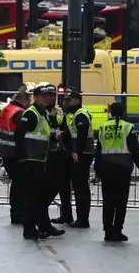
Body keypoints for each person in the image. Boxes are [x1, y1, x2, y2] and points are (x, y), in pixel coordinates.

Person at [14, 84, 66, 240]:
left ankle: (43, 225)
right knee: (32, 197)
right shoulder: (32, 114)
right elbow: (19, 135)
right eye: (44, 96)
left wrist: (53, 138)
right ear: (35, 98)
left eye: (50, 95)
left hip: (41, 159)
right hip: (31, 160)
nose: (49, 98)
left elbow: (40, 136)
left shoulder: (43, 114)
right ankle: (30, 229)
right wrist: (23, 159)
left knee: (40, 195)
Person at [95, 102, 139, 241]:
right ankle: (117, 230)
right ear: (124, 113)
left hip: (106, 167)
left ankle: (107, 231)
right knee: (120, 201)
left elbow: (98, 151)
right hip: (123, 168)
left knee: (108, 201)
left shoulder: (103, 127)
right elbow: (135, 150)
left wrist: (97, 170)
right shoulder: (128, 127)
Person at [0, 86, 30, 225]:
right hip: (15, 154)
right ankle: (18, 214)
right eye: (29, 100)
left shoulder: (7, 109)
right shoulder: (19, 113)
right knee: (20, 185)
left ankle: (16, 213)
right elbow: (22, 134)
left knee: (16, 185)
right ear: (23, 101)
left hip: (6, 151)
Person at [62, 89, 93, 227]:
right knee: (65, 185)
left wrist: (77, 154)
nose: (65, 102)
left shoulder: (81, 115)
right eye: (65, 100)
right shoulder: (70, 114)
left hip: (81, 155)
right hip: (72, 154)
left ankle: (82, 219)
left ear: (77, 100)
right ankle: (66, 215)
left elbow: (81, 137)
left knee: (80, 187)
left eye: (68, 100)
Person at [48, 97, 73, 224]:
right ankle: (66, 215)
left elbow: (60, 127)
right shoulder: (40, 112)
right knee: (60, 186)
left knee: (61, 185)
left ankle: (66, 214)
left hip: (60, 152)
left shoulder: (57, 111)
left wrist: (52, 118)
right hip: (50, 153)